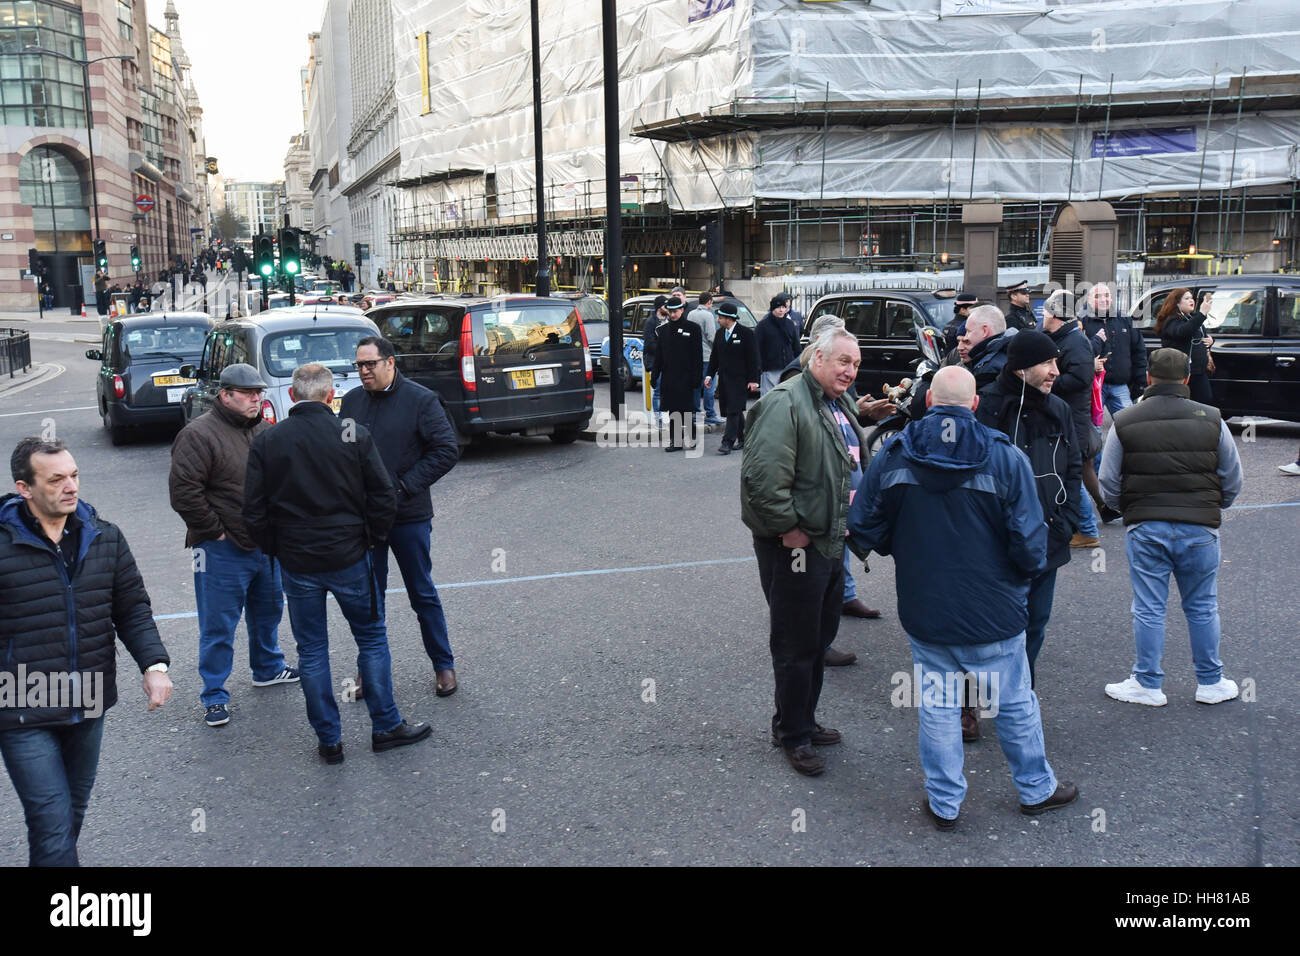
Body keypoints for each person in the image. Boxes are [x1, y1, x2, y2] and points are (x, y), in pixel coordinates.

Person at [848, 367, 1079, 828]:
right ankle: (1036, 789)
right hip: (994, 605)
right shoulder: (1005, 457)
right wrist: (1017, 578)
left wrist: (904, 542)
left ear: (929, 400)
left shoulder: (894, 452)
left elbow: (863, 528)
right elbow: (1031, 543)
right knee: (1013, 701)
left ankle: (944, 802)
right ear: (974, 405)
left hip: (925, 603)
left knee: (937, 704)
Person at [243, 363, 430, 764]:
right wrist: (371, 538)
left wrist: (278, 548)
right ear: (331, 396)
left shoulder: (269, 441)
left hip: (297, 562)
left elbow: (254, 512)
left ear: (292, 396)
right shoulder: (352, 434)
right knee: (372, 638)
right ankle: (385, 726)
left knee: (312, 651)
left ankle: (329, 740)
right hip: (349, 555)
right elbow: (383, 495)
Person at [0, 437, 173, 865]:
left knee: (69, 817)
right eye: (56, 479)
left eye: (74, 475)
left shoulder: (104, 537)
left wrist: (154, 665)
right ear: (25, 489)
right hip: (24, 706)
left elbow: (131, 607)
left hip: (87, 700)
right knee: (53, 825)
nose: (71, 486)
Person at [740, 327, 866, 776]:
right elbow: (762, 480)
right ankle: (791, 732)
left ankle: (803, 720)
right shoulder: (787, 402)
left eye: (855, 364)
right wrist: (789, 531)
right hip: (798, 546)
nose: (850, 371)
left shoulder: (832, 401)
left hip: (830, 541)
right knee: (795, 644)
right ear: (817, 359)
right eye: (843, 362)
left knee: (816, 638)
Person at [1100, 348, 1243, 707]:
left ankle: (1148, 683)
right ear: (1187, 379)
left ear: (1148, 378)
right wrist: (1214, 505)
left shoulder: (1126, 419)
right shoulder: (1211, 418)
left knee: (1148, 607)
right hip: (1200, 526)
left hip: (1146, 524)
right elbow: (1232, 477)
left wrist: (1129, 508)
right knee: (1202, 606)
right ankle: (1210, 682)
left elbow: (1108, 482)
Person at [169, 363, 298, 728]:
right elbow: (184, 493)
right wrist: (216, 532)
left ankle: (268, 668)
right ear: (225, 395)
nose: (257, 398)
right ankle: (214, 695)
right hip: (219, 549)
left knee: (269, 610)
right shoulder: (198, 435)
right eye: (249, 393)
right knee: (218, 625)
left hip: (264, 545)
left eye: (259, 393)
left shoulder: (263, 429)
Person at [341, 337, 461, 697]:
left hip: (408, 516)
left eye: (370, 365)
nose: (363, 372)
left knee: (421, 593)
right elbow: (343, 451)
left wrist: (404, 486)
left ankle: (444, 666)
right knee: (368, 598)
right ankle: (369, 671)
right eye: (359, 365)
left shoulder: (421, 400)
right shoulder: (351, 401)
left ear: (390, 363)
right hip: (365, 519)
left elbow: (446, 450)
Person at [976, 330, 1081, 694]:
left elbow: (1073, 467)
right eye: (1047, 363)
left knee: (1035, 622)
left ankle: (1020, 692)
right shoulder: (986, 406)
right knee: (986, 622)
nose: (1056, 370)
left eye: (1056, 362)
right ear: (1020, 369)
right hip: (993, 542)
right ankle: (971, 701)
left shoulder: (1059, 410)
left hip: (1047, 539)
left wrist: (1065, 523)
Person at [1042, 290, 1105, 547]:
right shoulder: (1064, 337)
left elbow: (1080, 379)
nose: (1042, 316)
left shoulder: (1075, 341)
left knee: (1070, 473)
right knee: (1069, 470)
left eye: (1045, 312)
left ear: (1055, 315)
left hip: (1072, 417)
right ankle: (1094, 517)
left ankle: (1088, 530)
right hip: (1067, 415)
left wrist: (1045, 380)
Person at [703, 301, 759, 455]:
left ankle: (727, 442)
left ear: (728, 318)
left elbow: (753, 358)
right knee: (734, 410)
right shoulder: (720, 333)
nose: (718, 320)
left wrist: (753, 380)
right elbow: (715, 357)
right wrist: (709, 375)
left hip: (740, 379)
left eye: (720, 317)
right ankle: (745, 438)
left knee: (733, 410)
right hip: (725, 379)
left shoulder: (746, 333)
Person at [649, 295, 703, 452]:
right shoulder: (663, 330)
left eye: (676, 311)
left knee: (686, 409)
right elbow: (659, 355)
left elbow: (697, 355)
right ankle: (676, 440)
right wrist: (654, 374)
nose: (673, 315)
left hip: (686, 376)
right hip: (669, 377)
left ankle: (692, 437)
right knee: (673, 410)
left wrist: (696, 377)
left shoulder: (693, 328)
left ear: (682, 310)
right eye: (670, 311)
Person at [1155, 287, 1215, 405]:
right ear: (1177, 303)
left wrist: (1210, 341)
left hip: (1198, 371)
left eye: (1191, 298)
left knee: (1205, 401)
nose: (1191, 301)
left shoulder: (1193, 318)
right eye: (1186, 298)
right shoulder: (1171, 321)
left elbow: (1199, 335)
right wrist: (1202, 313)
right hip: (1179, 373)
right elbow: (1183, 332)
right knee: (1182, 403)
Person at [687, 292, 723, 425]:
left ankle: (694, 412)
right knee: (709, 386)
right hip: (707, 355)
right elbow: (711, 336)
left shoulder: (691, 314)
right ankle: (710, 413)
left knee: (696, 385)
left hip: (694, 356)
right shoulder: (708, 315)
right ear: (709, 302)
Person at [756, 295, 800, 395]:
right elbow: (756, 348)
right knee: (769, 397)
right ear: (772, 308)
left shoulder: (789, 324)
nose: (781, 310)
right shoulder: (762, 326)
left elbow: (796, 346)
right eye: (778, 307)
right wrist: (759, 367)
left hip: (788, 368)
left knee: (786, 395)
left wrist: (798, 363)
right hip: (769, 368)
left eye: (783, 307)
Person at [641, 295, 667, 420]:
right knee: (657, 391)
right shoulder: (651, 322)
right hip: (656, 361)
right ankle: (658, 417)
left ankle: (666, 416)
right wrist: (665, 350)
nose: (667, 308)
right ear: (658, 307)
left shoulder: (668, 320)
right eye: (664, 305)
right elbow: (649, 344)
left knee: (666, 390)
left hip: (668, 361)